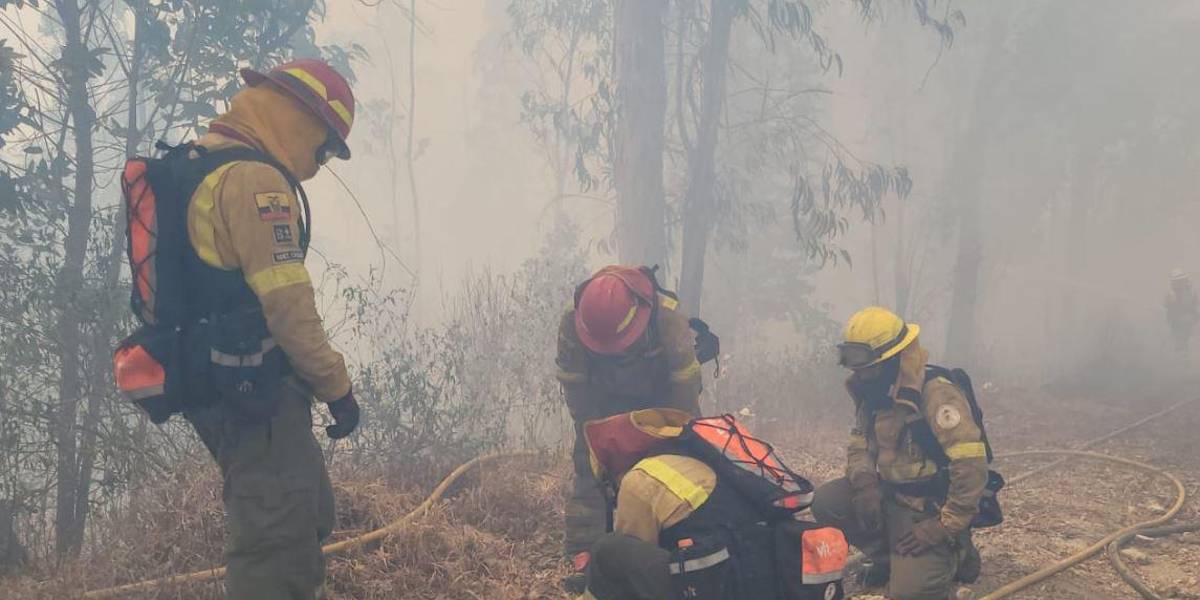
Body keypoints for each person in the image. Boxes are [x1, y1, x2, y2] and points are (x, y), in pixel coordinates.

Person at [180, 59, 361, 600]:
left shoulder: (201, 162)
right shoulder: (256, 181)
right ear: (301, 120)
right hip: (251, 391)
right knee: (276, 545)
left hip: (215, 381)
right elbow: (288, 308)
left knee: (302, 510)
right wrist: (337, 387)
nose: (321, 161)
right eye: (325, 147)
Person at [812, 307, 987, 600]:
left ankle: (958, 553)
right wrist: (865, 485)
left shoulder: (936, 394)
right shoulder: (874, 393)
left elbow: (971, 464)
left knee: (909, 595)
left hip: (928, 509)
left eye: (866, 368)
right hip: (889, 496)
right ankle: (890, 558)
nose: (859, 375)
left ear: (892, 360)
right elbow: (858, 446)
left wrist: (945, 525)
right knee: (827, 501)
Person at [577, 409, 844, 600]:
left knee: (608, 551)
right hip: (769, 580)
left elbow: (633, 556)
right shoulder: (702, 458)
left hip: (722, 583)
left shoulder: (640, 478)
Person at [556, 266, 703, 588]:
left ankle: (679, 544)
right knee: (589, 469)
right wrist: (593, 430)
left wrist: (665, 431)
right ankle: (587, 556)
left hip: (663, 402)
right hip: (603, 403)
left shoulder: (667, 319)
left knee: (675, 469)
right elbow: (574, 383)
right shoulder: (573, 319)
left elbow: (685, 385)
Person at [1165, 268, 1198, 356]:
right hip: (1177, 323)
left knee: (1187, 342)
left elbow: (1195, 305)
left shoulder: (1191, 291)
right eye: (1177, 281)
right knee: (1179, 344)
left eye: (1181, 280)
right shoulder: (1171, 294)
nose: (1179, 283)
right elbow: (1167, 308)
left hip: (1189, 322)